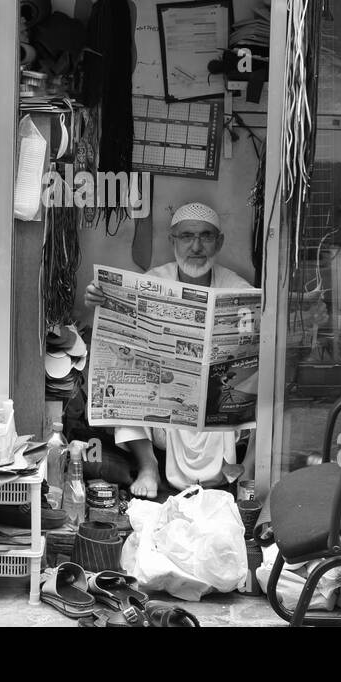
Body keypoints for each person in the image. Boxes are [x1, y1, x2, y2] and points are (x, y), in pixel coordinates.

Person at [83, 202, 257, 499]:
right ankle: (148, 464)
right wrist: (101, 299)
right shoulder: (152, 282)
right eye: (187, 236)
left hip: (213, 399)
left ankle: (247, 477)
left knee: (265, 389)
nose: (196, 246)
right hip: (165, 395)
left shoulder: (237, 287)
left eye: (206, 236)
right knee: (122, 378)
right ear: (172, 240)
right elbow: (124, 333)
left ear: (220, 242)